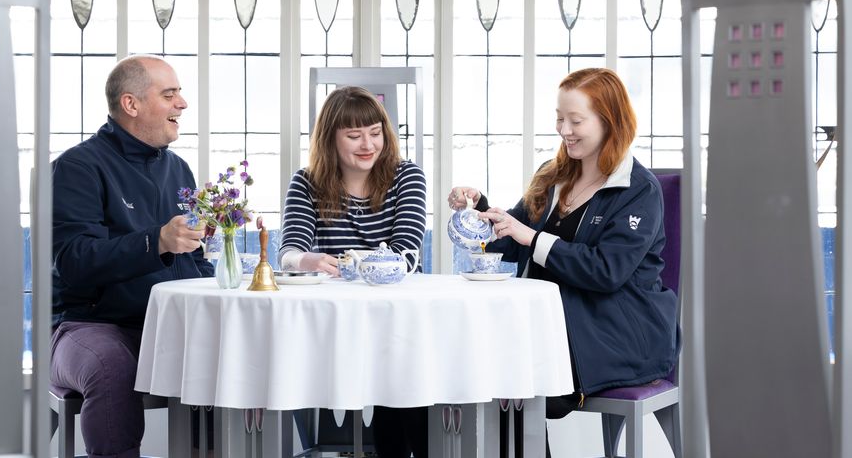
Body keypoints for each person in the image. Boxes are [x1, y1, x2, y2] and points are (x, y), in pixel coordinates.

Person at [449, 67, 678, 423]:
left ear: (609, 122)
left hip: (616, 335)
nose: (564, 131)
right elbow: (513, 242)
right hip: (550, 326)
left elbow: (607, 272)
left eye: (575, 120)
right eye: (559, 119)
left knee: (511, 383)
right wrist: (479, 210)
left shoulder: (639, 190)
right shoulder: (554, 175)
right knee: (468, 369)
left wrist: (533, 237)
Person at [51, 55, 214, 458]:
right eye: (170, 94)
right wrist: (156, 241)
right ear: (131, 104)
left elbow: (193, 259)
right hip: (87, 327)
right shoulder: (77, 167)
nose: (183, 104)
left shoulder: (179, 170)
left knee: (227, 352)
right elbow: (74, 260)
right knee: (111, 368)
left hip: (163, 324)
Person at [280, 86, 428, 458]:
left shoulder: (406, 176)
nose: (368, 144)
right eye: (354, 135)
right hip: (337, 321)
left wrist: (342, 262)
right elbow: (289, 252)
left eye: (375, 133)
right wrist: (306, 261)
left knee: (402, 390)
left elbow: (406, 255)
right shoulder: (306, 182)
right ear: (330, 139)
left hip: (400, 320)